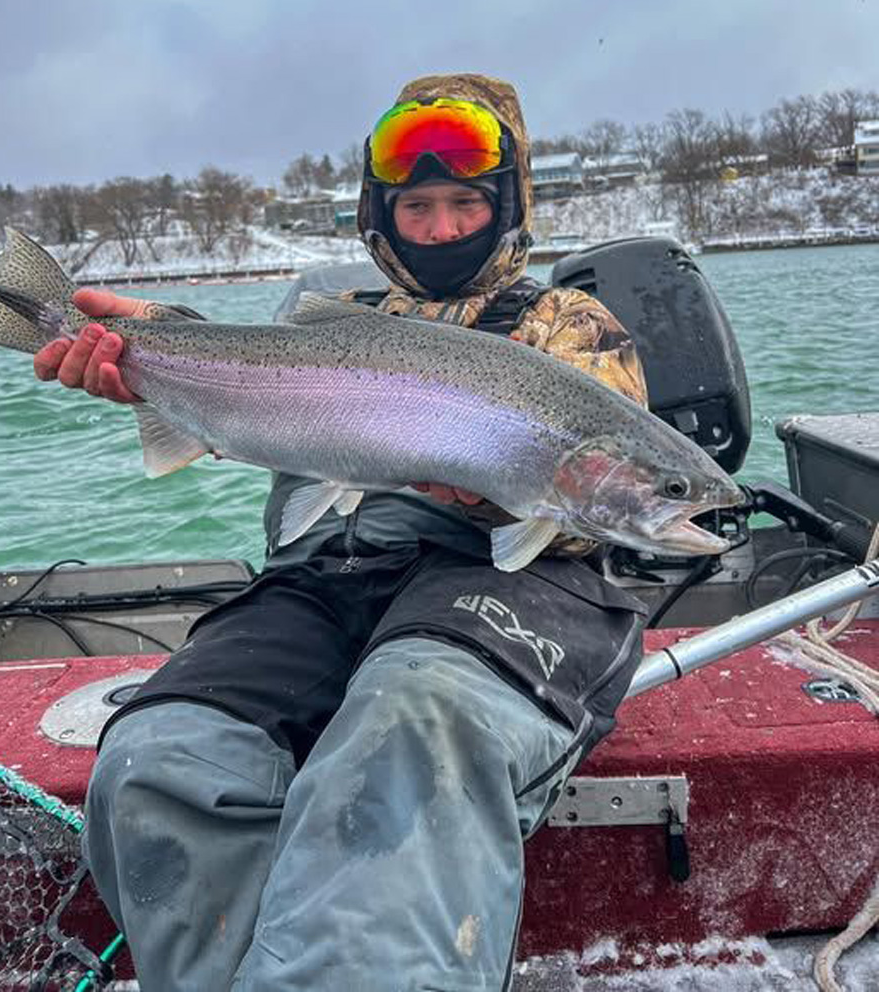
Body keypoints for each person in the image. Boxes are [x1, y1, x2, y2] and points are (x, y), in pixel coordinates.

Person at [35, 74, 649, 992]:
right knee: (155, 751)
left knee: (412, 716)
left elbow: (602, 488)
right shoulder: (339, 326)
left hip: (508, 574)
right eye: (418, 207)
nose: (441, 229)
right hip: (340, 570)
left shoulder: (572, 326)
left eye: (466, 203)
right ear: (379, 215)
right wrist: (160, 350)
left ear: (508, 206)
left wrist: (490, 486)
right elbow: (254, 396)